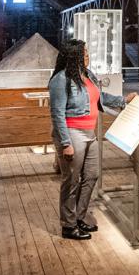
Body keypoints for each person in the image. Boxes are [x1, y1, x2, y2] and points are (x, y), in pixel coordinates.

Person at [48, 39, 131, 239]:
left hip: (90, 134)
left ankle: (79, 216)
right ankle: (68, 225)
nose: (88, 56)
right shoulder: (60, 80)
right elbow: (57, 113)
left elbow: (99, 97)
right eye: (84, 53)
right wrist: (66, 144)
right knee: (71, 180)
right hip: (72, 134)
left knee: (92, 175)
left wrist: (122, 100)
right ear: (73, 55)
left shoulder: (88, 76)